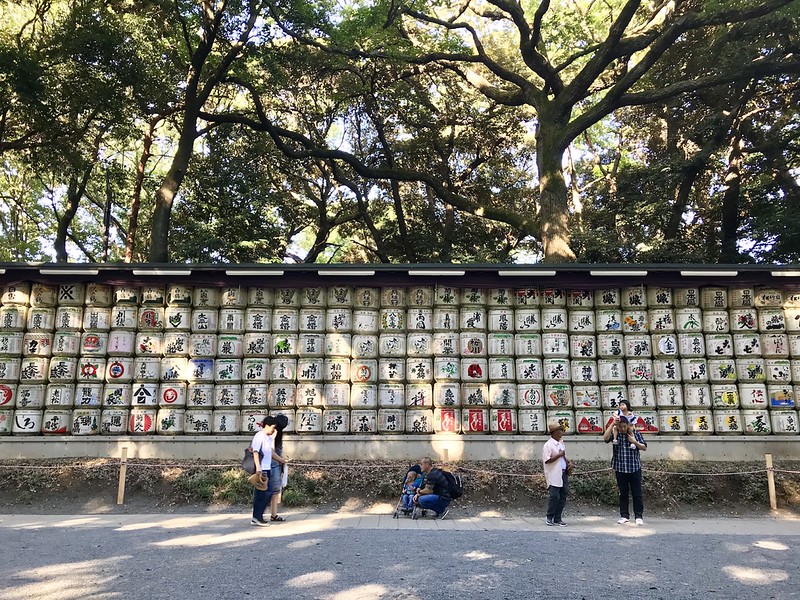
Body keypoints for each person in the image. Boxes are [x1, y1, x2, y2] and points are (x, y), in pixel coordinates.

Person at [603, 413, 647, 525]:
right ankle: (624, 515)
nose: (622, 428)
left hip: (634, 467)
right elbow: (605, 438)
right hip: (620, 468)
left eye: (624, 426)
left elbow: (644, 447)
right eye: (620, 426)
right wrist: (613, 423)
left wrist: (635, 442)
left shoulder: (635, 433)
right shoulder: (615, 433)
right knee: (623, 493)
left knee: (636, 493)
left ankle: (638, 516)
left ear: (627, 425)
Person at [249, 416, 287, 527]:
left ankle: (257, 517)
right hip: (261, 468)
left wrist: (281, 460)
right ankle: (257, 517)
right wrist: (258, 468)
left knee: (265, 493)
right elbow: (255, 452)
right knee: (263, 493)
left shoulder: (269, 437)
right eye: (273, 428)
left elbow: (272, 452)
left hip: (267, 468)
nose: (274, 430)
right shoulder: (259, 436)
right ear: (267, 426)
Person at [542, 423, 572, 527]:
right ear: (554, 432)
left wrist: (568, 462)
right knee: (554, 496)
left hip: (563, 472)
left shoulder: (561, 443)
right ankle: (549, 517)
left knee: (563, 496)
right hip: (553, 473)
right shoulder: (548, 445)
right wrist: (559, 455)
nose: (561, 433)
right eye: (559, 431)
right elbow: (547, 460)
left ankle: (557, 518)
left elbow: (563, 456)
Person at [267, 414, 290, 522]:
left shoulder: (274, 432)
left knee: (272, 491)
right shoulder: (273, 433)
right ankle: (272, 514)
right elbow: (271, 451)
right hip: (273, 464)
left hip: (273, 463)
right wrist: (281, 460)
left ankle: (273, 514)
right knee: (274, 491)